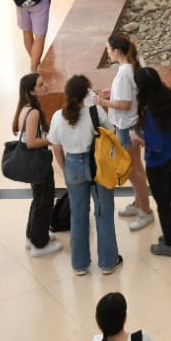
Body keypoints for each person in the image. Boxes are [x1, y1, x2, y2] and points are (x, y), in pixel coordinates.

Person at [47, 74, 124, 277]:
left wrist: (65, 169)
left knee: (78, 215)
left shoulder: (58, 116)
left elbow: (55, 145)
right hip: (98, 165)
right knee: (103, 212)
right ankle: (108, 261)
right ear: (86, 94)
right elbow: (111, 135)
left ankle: (80, 264)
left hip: (72, 165)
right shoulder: (95, 112)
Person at [96, 34, 153, 228]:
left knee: (131, 170)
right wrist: (113, 93)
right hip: (135, 123)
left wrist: (103, 102)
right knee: (137, 166)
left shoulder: (123, 73)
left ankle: (146, 210)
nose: (107, 52)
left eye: (108, 49)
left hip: (125, 126)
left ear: (117, 51)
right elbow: (132, 93)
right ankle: (139, 202)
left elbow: (124, 103)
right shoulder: (136, 63)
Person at [132, 67, 171, 256]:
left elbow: (155, 144)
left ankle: (170, 245)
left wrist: (137, 138)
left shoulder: (149, 110)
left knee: (163, 202)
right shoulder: (167, 96)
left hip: (157, 163)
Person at [12, 73, 62, 258]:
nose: (45, 85)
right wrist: (51, 140)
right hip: (37, 162)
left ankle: (33, 235)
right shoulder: (32, 113)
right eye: (41, 84)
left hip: (32, 162)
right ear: (32, 91)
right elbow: (32, 142)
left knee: (38, 199)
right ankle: (39, 244)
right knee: (44, 201)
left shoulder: (26, 108)